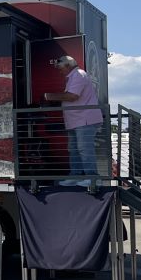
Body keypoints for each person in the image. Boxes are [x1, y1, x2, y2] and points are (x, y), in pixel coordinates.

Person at [44, 55, 103, 186]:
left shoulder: (78, 75)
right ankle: (75, 176)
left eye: (60, 68)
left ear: (68, 65)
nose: (59, 71)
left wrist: (49, 96)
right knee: (74, 149)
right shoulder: (74, 76)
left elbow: (72, 96)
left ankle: (93, 178)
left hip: (84, 119)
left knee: (84, 148)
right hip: (76, 120)